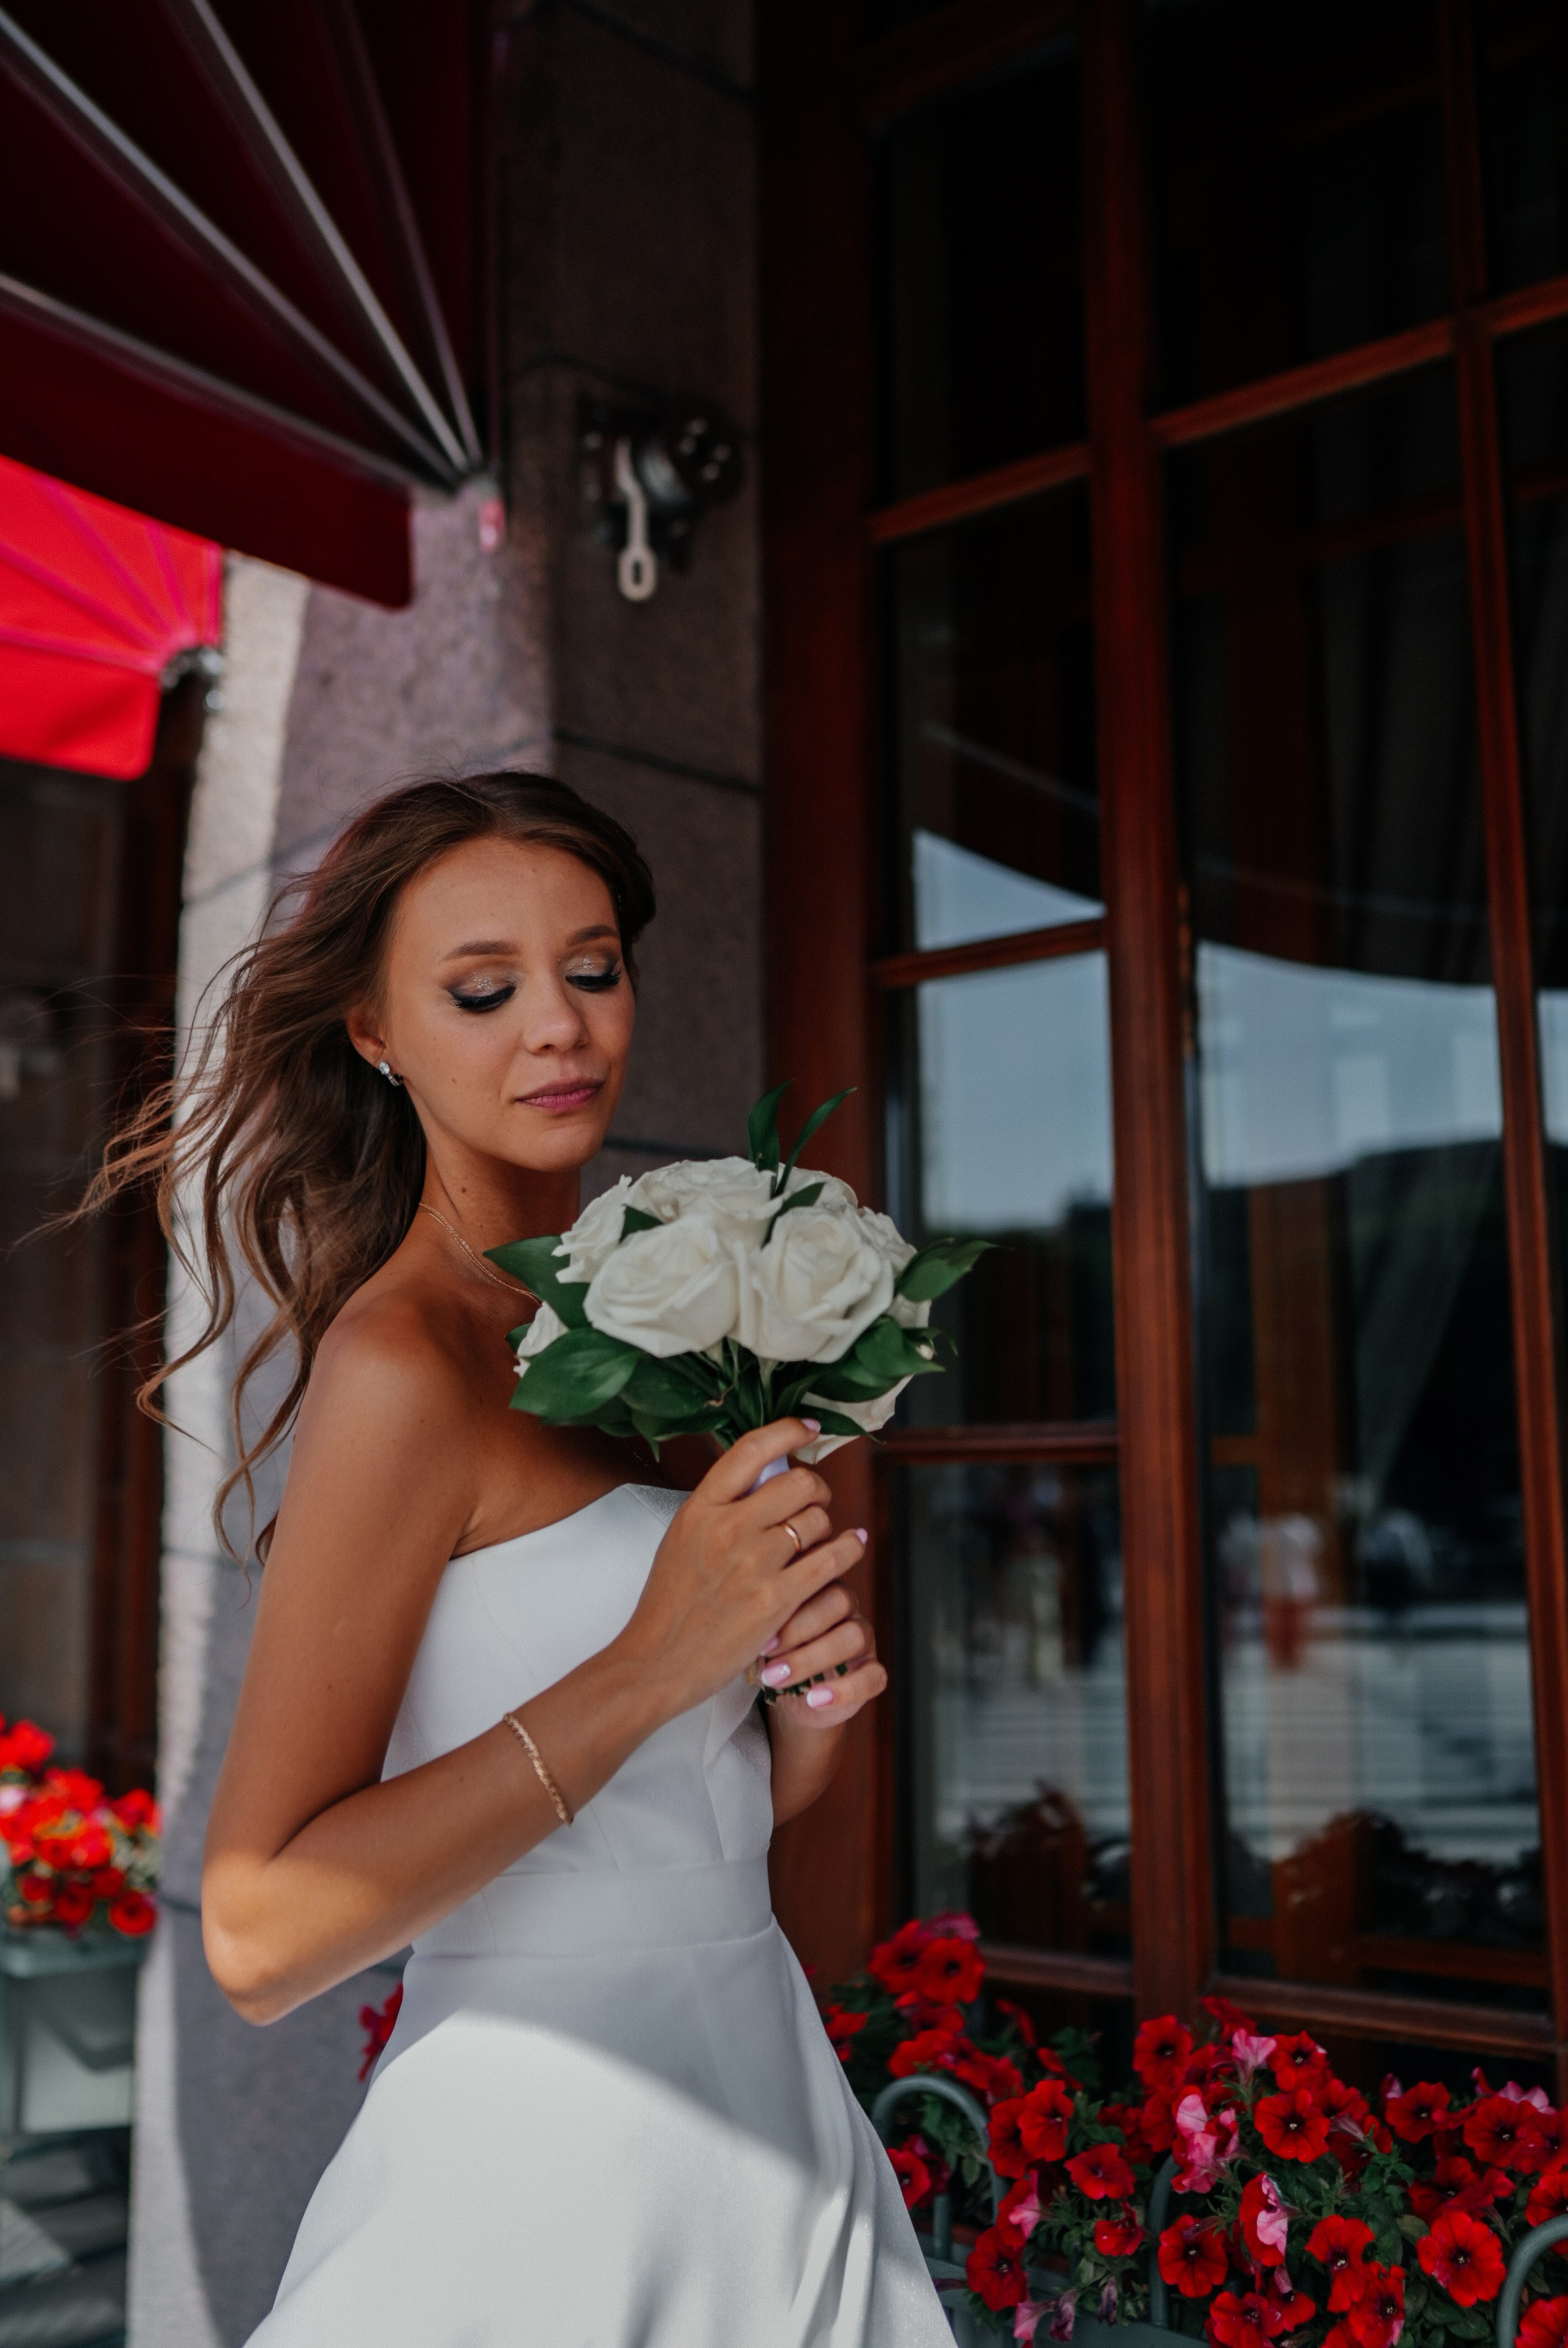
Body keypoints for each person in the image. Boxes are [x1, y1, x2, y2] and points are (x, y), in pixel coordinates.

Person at [96, 772, 951, 2345]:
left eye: (592, 968)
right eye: (481, 990)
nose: (555, 1027)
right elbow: (258, 1933)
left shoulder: (665, 1335)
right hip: (539, 2170)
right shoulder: (402, 1365)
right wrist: (653, 1663)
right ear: (372, 1030)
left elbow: (724, 1820)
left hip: (766, 2108)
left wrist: (808, 1709)